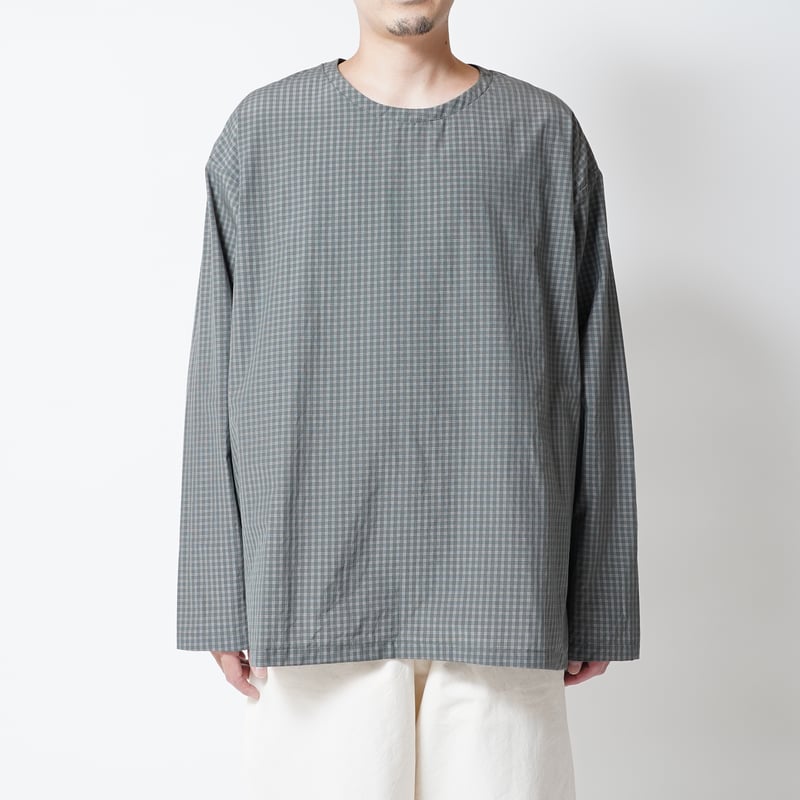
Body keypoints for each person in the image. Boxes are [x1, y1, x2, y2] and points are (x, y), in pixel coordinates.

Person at [176, 1, 640, 797]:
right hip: (312, 580)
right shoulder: (263, 134)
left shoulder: (542, 135)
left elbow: (595, 374)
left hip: (503, 582)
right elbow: (215, 369)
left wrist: (599, 598)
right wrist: (218, 596)